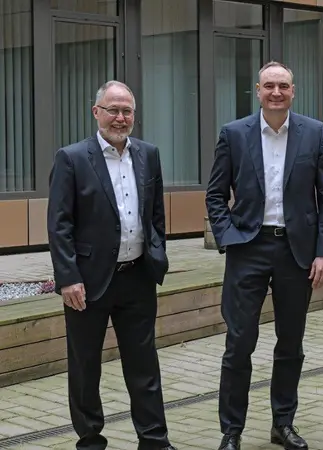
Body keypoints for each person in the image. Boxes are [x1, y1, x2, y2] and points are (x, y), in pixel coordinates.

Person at [205, 61, 323, 450]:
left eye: (283, 86)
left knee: (290, 343)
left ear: (293, 91)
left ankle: (283, 423)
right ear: (258, 91)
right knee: (239, 342)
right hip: (248, 247)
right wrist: (227, 237)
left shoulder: (314, 133)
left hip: (296, 251)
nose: (276, 92)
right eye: (269, 86)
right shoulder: (234, 134)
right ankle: (231, 431)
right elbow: (215, 194)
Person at [47, 80, 176, 450]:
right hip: (87, 283)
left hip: (137, 276)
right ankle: (90, 439)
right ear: (96, 112)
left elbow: (156, 215)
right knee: (86, 367)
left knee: (144, 364)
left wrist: (157, 254)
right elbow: (59, 225)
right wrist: (68, 278)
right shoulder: (71, 158)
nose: (120, 118)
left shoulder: (148, 154)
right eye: (113, 110)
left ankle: (154, 439)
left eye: (126, 111)